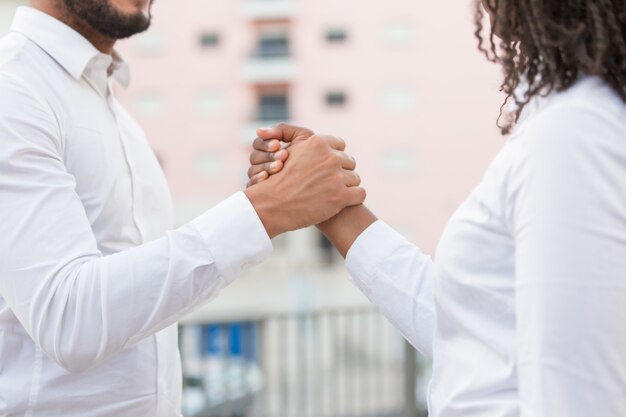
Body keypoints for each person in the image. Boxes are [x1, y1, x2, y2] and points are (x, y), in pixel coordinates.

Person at [248, 0, 626, 416]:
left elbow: (579, 402)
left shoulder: (573, 135)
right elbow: (474, 328)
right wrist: (331, 205)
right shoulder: (570, 123)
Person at [0, 1, 365, 416]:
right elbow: (68, 319)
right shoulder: (12, 89)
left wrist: (278, 192)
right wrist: (265, 211)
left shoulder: (114, 111)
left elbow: (143, 295)